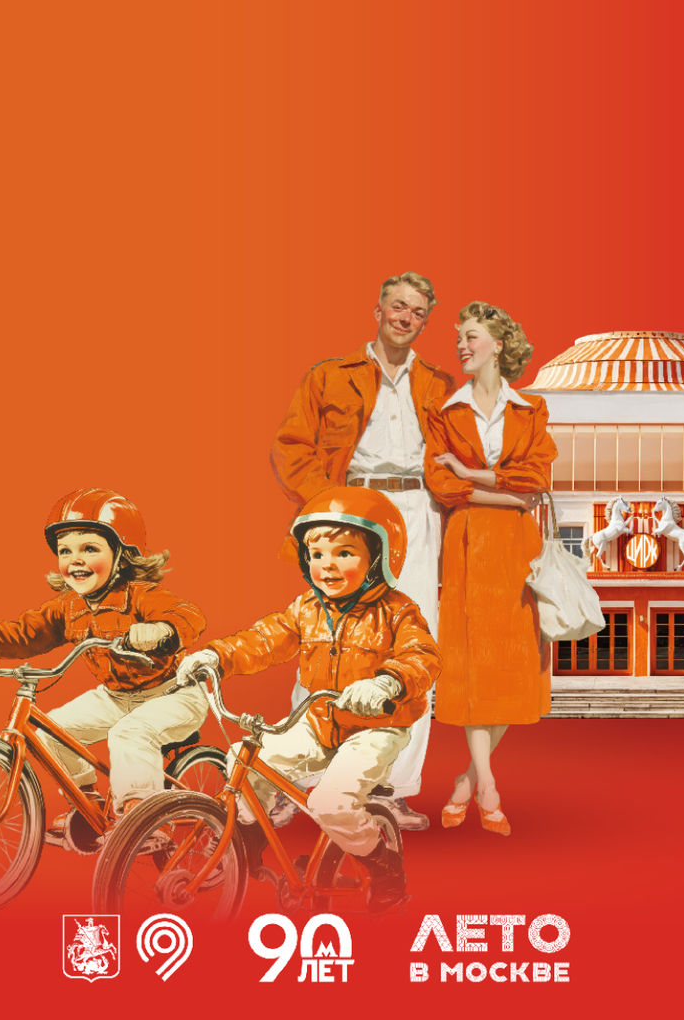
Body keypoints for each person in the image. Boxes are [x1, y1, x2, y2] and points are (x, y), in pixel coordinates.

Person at [177, 485, 439, 912]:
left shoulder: (397, 611)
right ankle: (246, 842)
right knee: (246, 758)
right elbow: (263, 639)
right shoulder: (305, 609)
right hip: (319, 722)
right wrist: (216, 656)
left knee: (330, 804)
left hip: (376, 728)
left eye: (343, 553)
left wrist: (387, 683)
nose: (326, 565)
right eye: (316, 554)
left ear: (380, 557)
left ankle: (385, 867)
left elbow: (421, 656)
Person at [269, 271, 452, 824]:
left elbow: (464, 453)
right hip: (353, 507)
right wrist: (329, 507)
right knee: (327, 636)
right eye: (398, 306)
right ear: (378, 311)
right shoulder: (330, 375)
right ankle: (295, 778)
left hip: (418, 511)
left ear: (424, 322)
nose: (405, 317)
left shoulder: (439, 385)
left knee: (414, 642)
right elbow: (290, 448)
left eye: (417, 312)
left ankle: (388, 787)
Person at [0, 489, 209, 828]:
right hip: (116, 696)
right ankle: (87, 802)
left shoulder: (141, 595)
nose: (75, 560)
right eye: (65, 551)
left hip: (172, 693)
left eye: (89, 549)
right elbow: (28, 632)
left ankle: (142, 819)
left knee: (129, 733)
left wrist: (161, 630)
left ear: (123, 555)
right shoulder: (68, 607)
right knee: (50, 731)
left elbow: (187, 614)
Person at [425, 301, 553, 834]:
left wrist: (473, 473)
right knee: (476, 665)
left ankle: (466, 779)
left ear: (498, 345)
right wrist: (507, 495)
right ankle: (489, 787)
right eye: (459, 338)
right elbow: (442, 485)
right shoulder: (444, 411)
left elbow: (537, 477)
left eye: (471, 336)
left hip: (518, 548)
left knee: (512, 664)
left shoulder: (532, 409)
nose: (461, 345)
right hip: (468, 545)